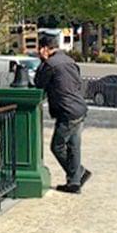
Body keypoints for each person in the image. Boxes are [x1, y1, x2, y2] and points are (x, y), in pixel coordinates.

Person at [34, 34, 91, 193]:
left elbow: (39, 83)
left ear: (44, 49)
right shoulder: (70, 61)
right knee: (73, 146)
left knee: (57, 146)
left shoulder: (50, 64)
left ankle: (78, 173)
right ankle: (74, 182)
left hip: (66, 111)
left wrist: (43, 62)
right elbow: (77, 83)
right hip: (79, 108)